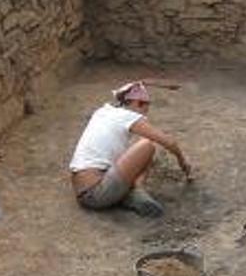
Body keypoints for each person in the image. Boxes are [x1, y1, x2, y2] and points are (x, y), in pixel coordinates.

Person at [68, 81, 193, 217]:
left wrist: (165, 85)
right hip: (96, 193)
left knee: (132, 152)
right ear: (137, 103)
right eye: (144, 109)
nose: (144, 116)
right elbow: (169, 142)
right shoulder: (128, 117)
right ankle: (135, 193)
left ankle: (127, 195)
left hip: (84, 190)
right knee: (147, 145)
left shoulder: (103, 111)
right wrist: (182, 160)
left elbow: (138, 81)